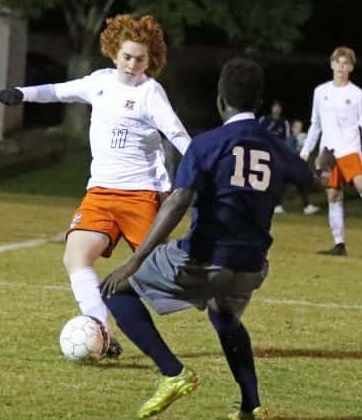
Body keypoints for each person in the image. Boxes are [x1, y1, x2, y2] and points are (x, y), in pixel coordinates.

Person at [100, 58, 330, 420]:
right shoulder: (277, 147)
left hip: (204, 258)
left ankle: (172, 374)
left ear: (221, 100)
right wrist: (324, 167)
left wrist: (136, 260)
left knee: (113, 290)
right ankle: (251, 406)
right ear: (258, 101)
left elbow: (178, 200)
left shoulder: (206, 144)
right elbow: (315, 182)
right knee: (224, 317)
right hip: (251, 267)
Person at [0, 14, 191, 357]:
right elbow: (59, 91)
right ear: (114, 52)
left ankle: (216, 287)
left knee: (162, 277)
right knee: (76, 257)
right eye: (127, 56)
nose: (132, 64)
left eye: (140, 59)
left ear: (151, 61)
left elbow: (177, 135)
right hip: (100, 193)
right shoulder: (99, 82)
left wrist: (205, 168)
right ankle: (101, 330)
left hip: (142, 195)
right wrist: (21, 94)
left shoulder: (150, 93)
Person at [300, 46, 362, 256]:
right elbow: (315, 124)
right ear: (332, 64)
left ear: (351, 67)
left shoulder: (358, 95)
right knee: (333, 195)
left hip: (350, 149)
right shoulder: (320, 92)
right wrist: (306, 151)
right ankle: (339, 244)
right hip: (329, 152)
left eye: (346, 64)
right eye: (338, 63)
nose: (341, 67)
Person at [260, 104, 319, 215]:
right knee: (284, 185)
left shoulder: (297, 138)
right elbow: (291, 154)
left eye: (300, 127)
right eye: (297, 127)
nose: (299, 129)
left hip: (290, 168)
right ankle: (277, 206)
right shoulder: (290, 140)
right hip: (286, 167)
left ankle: (304, 206)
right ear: (292, 128)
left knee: (294, 185)